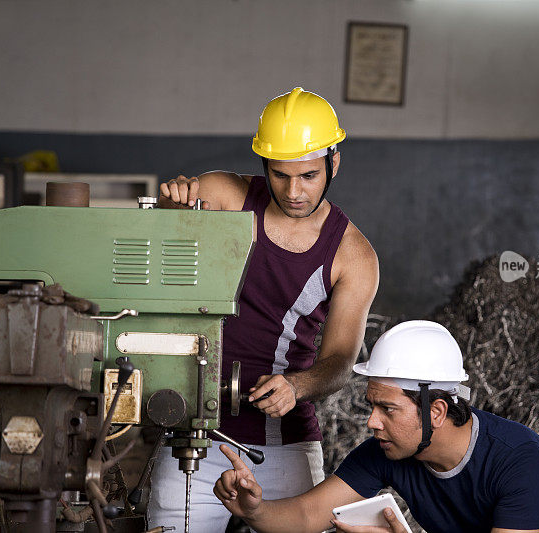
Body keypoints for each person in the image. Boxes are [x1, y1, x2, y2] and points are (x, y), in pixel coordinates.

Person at [147, 87, 380, 532]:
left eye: (309, 176)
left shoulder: (354, 255)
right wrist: (169, 208)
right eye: (280, 175)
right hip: (193, 435)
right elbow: (158, 249)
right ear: (264, 166)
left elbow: (341, 360)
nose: (294, 191)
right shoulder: (223, 194)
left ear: (334, 162)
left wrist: (298, 384)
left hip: (285, 443)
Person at [212, 320, 539, 533]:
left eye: (387, 408)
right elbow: (306, 515)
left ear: (436, 411)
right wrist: (254, 509)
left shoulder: (516, 456)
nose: (371, 422)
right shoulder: (389, 452)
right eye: (372, 406)